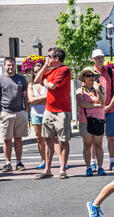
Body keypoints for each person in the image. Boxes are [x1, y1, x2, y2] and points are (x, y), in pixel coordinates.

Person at [34, 47, 72, 179]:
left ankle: (62, 169)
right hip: (49, 110)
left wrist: (46, 82)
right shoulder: (50, 71)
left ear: (56, 58)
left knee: (63, 140)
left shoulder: (65, 70)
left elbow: (52, 86)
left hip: (62, 111)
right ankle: (47, 169)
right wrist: (45, 65)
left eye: (49, 56)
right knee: (48, 139)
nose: (47, 58)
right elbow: (36, 80)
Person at [27, 63, 63, 170]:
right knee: (40, 139)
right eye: (36, 71)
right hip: (36, 114)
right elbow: (31, 100)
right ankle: (44, 160)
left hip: (49, 113)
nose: (38, 73)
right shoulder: (31, 85)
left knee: (55, 138)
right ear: (33, 73)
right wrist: (44, 98)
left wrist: (39, 100)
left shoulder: (47, 83)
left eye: (40, 70)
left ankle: (62, 161)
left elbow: (51, 98)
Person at [91, 49, 114, 172]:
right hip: (95, 111)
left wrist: (109, 105)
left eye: (101, 57)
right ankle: (93, 162)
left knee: (110, 137)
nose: (100, 59)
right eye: (97, 57)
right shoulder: (89, 73)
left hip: (109, 110)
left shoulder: (110, 72)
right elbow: (86, 92)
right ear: (93, 59)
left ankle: (112, 161)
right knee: (95, 138)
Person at [76, 67, 107, 176]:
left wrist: (97, 89)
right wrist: (97, 105)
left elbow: (103, 101)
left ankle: (101, 167)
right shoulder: (80, 91)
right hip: (85, 120)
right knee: (87, 144)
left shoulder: (100, 88)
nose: (91, 78)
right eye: (88, 76)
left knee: (98, 144)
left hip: (99, 119)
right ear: (84, 78)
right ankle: (88, 167)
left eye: (93, 76)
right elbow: (82, 104)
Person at [0, 57, 28, 172]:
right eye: (8, 65)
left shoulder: (21, 79)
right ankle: (7, 163)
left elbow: (26, 96)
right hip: (6, 112)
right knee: (7, 139)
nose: (10, 67)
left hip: (20, 112)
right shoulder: (1, 79)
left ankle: (19, 162)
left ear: (15, 65)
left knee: (18, 139)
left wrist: (26, 111)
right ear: (4, 66)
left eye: (12, 65)